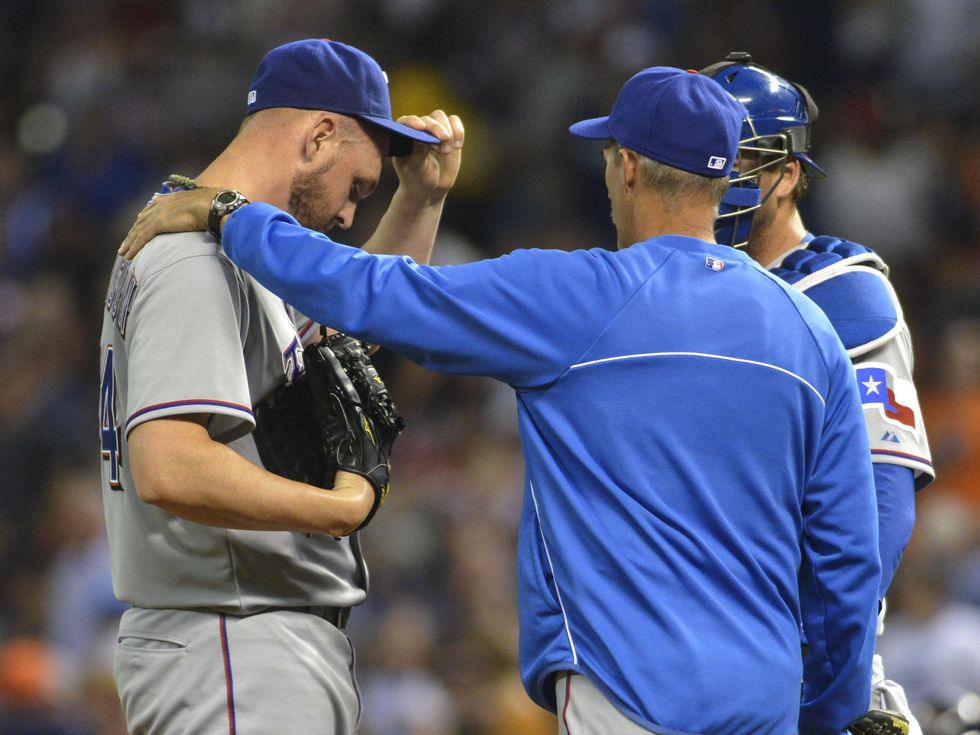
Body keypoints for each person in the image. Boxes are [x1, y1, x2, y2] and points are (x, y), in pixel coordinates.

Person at [118, 67, 881, 735]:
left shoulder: (581, 297)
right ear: (722, 182)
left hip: (635, 692)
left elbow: (372, 294)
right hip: (767, 699)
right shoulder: (810, 331)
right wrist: (831, 713)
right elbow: (847, 562)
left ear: (625, 168)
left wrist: (230, 215)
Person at [98, 38, 463, 734]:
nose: (351, 215)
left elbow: (353, 324)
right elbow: (169, 465)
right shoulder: (194, 257)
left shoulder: (225, 240)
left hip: (244, 637)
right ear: (320, 134)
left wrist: (420, 199)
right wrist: (335, 509)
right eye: (356, 187)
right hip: (233, 640)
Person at [702, 52, 934, 735]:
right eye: (706, 159)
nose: (719, 182)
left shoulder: (841, 293)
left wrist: (820, 677)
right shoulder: (680, 289)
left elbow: (880, 507)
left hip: (802, 663)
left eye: (738, 160)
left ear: (789, 172)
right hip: (699, 665)